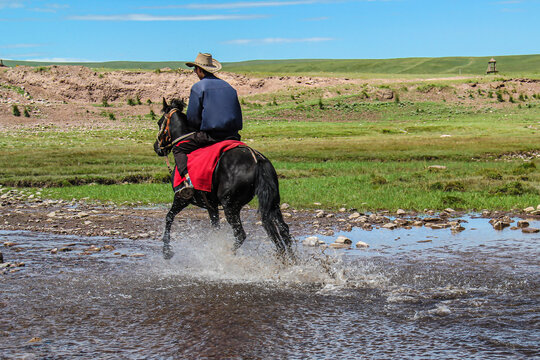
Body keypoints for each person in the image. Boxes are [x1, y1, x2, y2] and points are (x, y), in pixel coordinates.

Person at [172, 52, 243, 199]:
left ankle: (188, 182)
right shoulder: (229, 87)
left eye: (195, 69)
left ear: (199, 70)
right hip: (233, 135)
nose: (194, 72)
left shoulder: (198, 87)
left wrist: (195, 127)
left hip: (211, 136)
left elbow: (192, 118)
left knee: (178, 148)